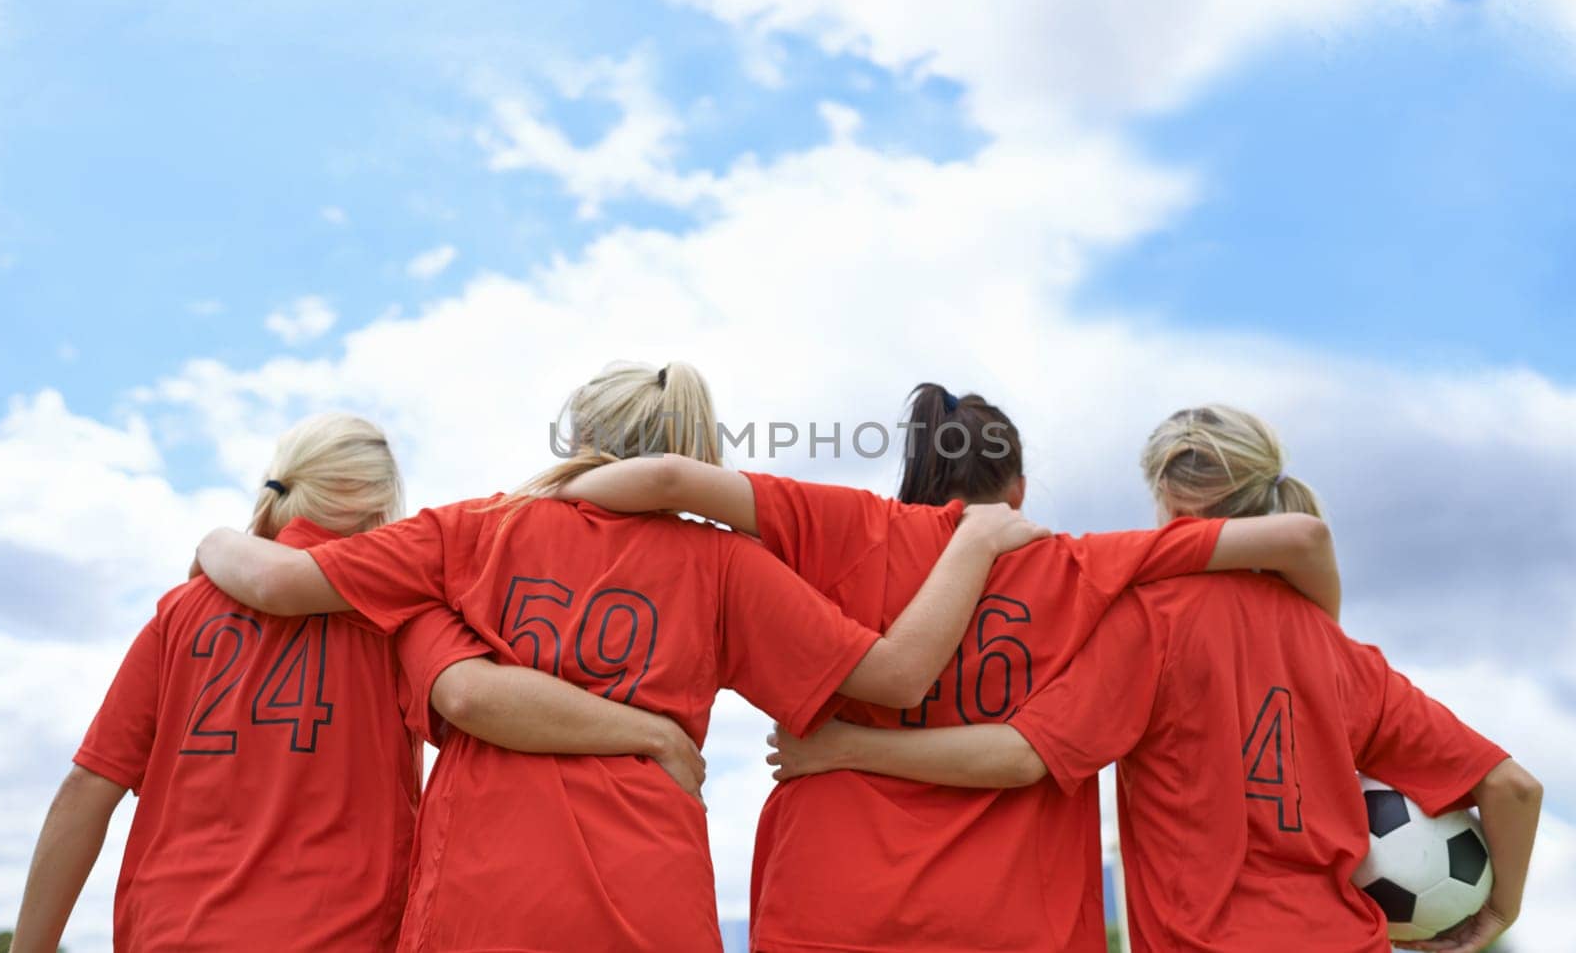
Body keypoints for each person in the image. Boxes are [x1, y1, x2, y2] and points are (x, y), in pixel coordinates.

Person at [190, 362, 1049, 952]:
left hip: (485, 901)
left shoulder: (476, 528)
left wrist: (216, 535)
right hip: (652, 899)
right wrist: (973, 542)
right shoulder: (723, 564)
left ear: (580, 440)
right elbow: (900, 674)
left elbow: (278, 584)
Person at [555, 384, 1341, 953]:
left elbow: (664, 480)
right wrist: (1321, 654)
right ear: (1019, 489)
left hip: (828, 906)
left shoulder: (832, 523)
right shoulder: (1084, 564)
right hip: (1015, 922)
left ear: (913, 470)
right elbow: (1302, 540)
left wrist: (549, 497)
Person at [770, 404, 1542, 953]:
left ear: (1169, 499)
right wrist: (1498, 906)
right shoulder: (1343, 653)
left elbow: (1022, 757)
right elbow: (1514, 787)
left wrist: (843, 749)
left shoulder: (1151, 620)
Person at [10, 413, 709, 953]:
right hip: (337, 934)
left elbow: (87, 792)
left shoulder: (181, 611)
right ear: (381, 505)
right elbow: (476, 699)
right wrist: (651, 733)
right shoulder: (398, 610)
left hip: (171, 931)